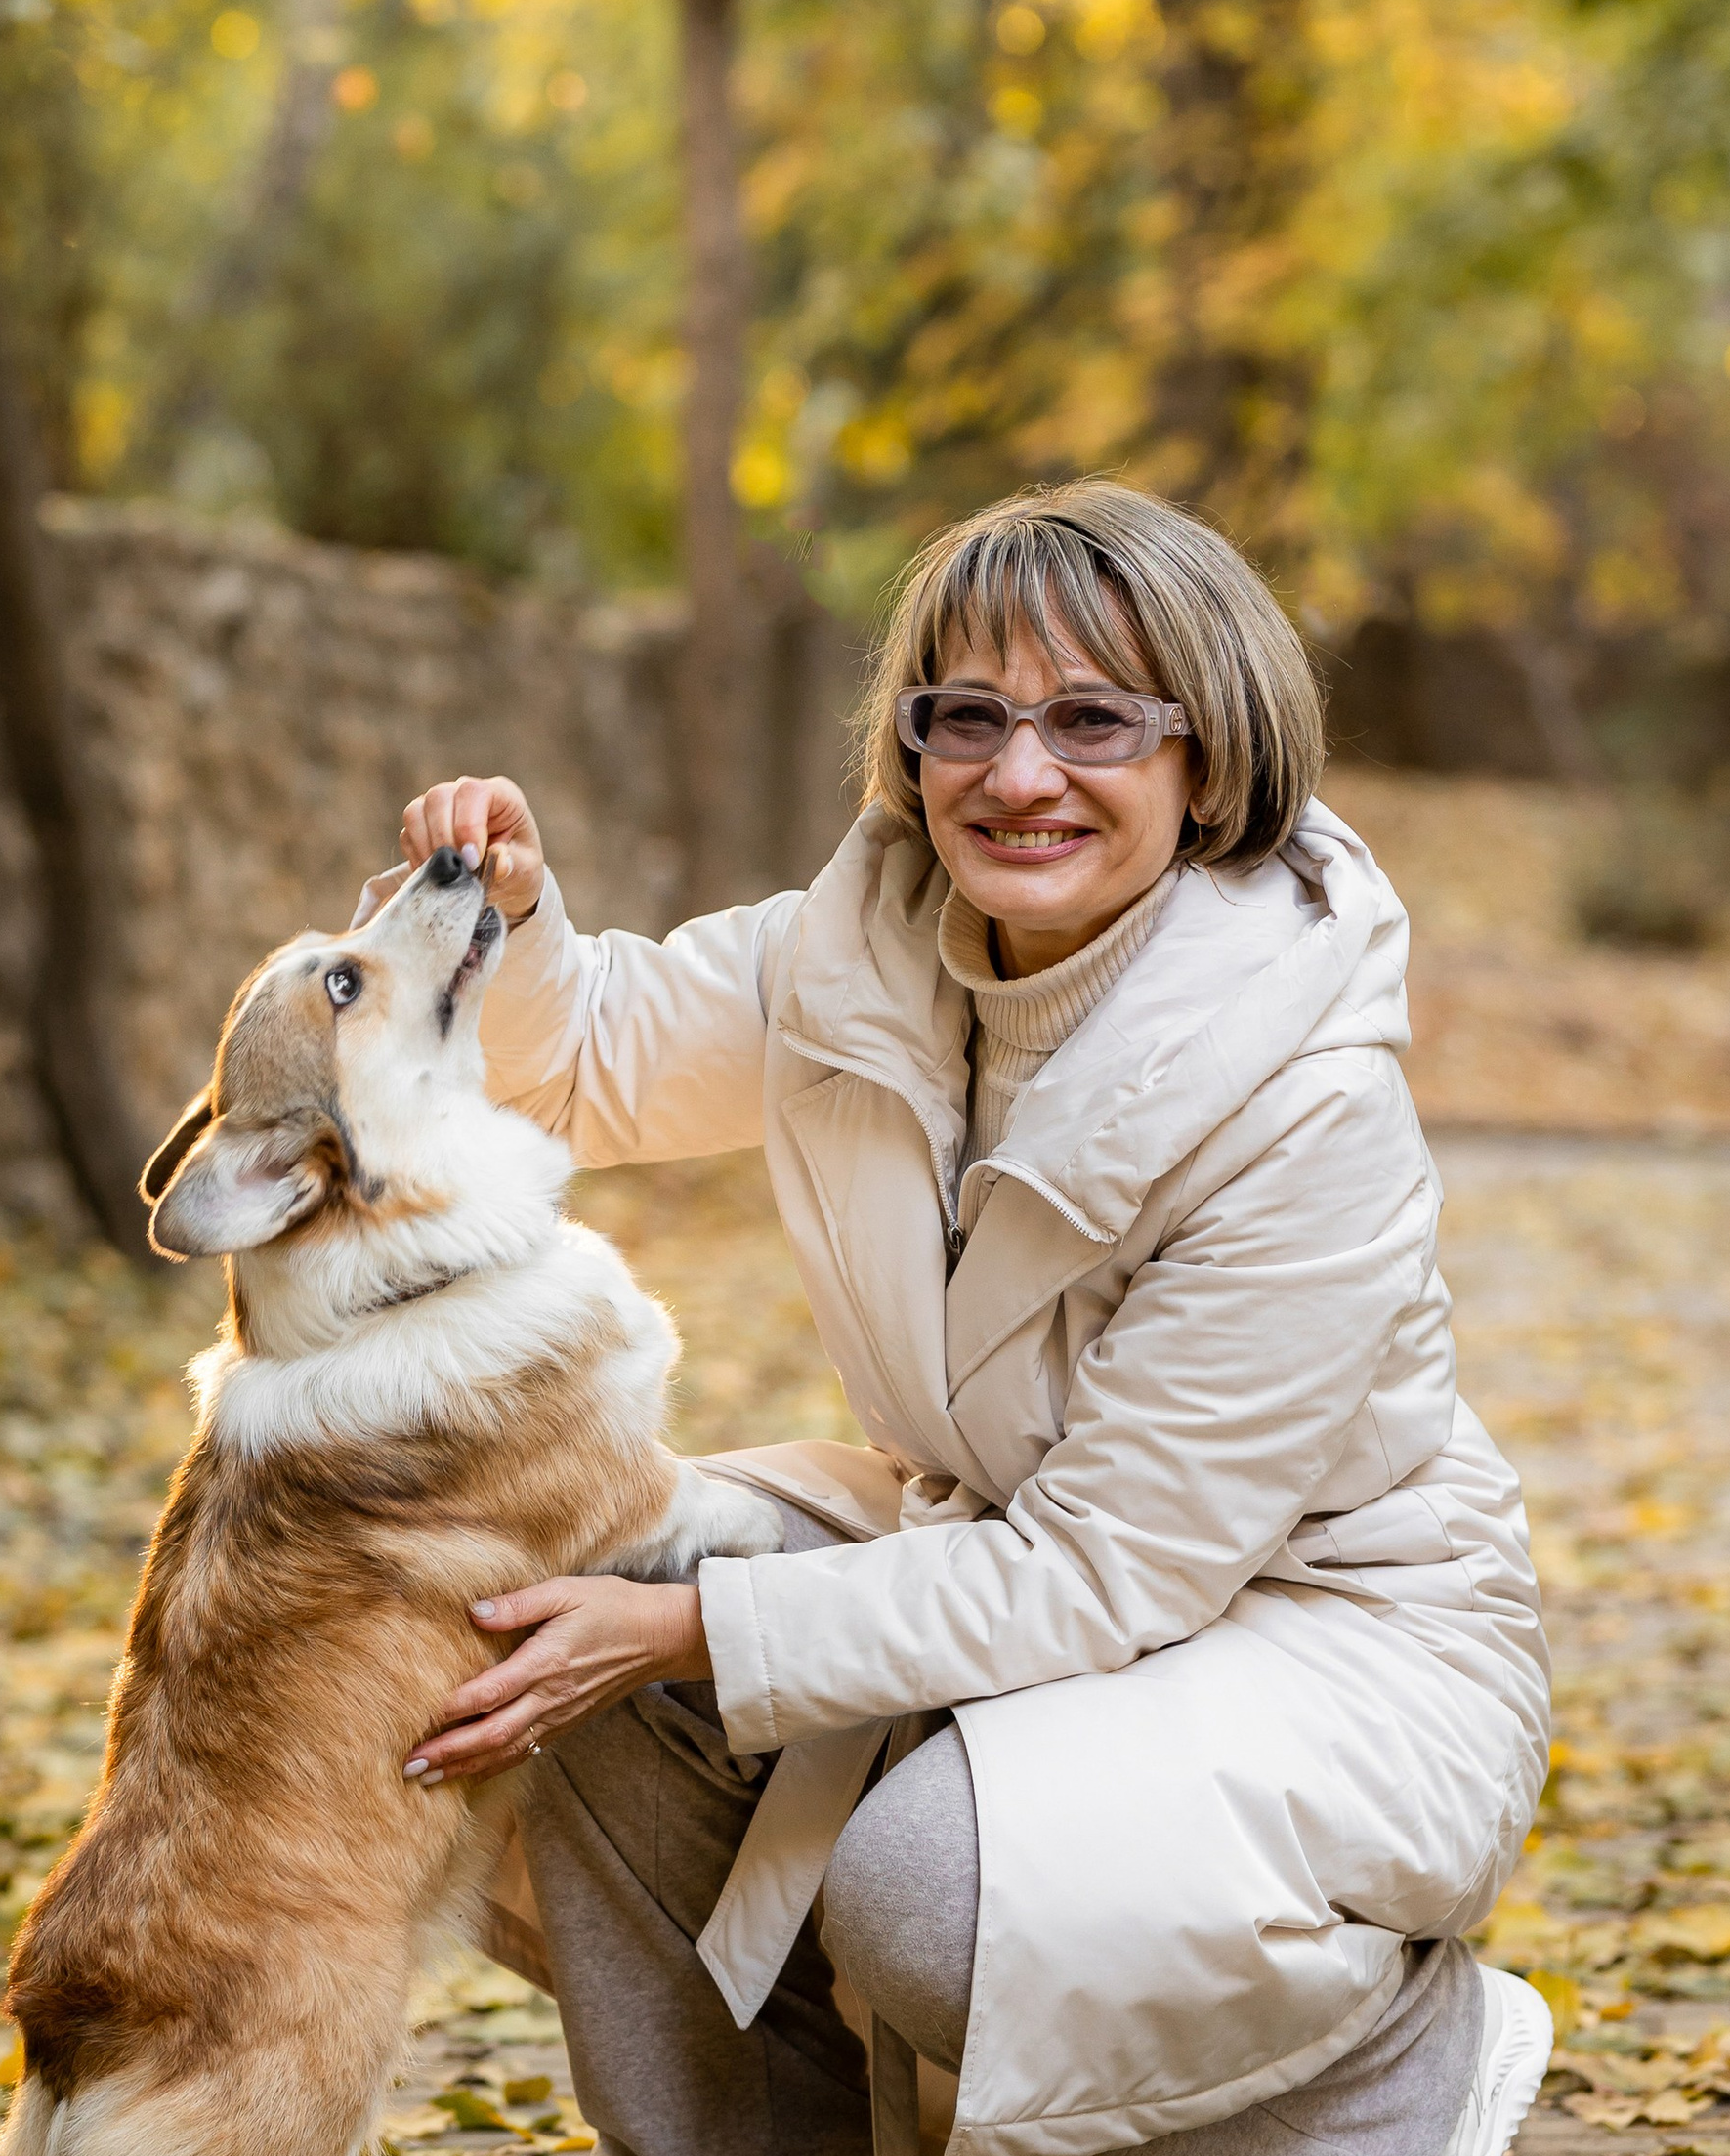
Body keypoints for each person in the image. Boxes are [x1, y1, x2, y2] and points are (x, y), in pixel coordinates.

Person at [373, 483, 1553, 2156]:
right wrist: (495, 921)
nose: (1018, 774)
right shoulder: (859, 956)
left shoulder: (1307, 1103)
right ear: (910, 744)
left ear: (1205, 757)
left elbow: (1115, 1571)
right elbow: (572, 1070)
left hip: (1328, 1644)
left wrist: (706, 1630)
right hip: (1024, 1566)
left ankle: (1390, 2078)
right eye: (968, 717)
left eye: (1092, 721)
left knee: (929, 1887)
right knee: (589, 1607)